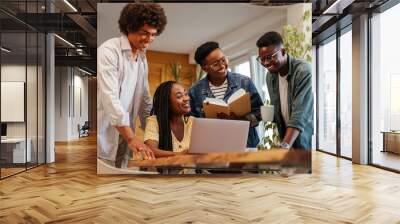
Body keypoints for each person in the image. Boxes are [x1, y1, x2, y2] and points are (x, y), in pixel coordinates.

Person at [97, 3, 167, 168]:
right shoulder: (108, 51)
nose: (149, 39)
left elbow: (144, 98)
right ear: (129, 27)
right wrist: (131, 137)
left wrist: (152, 132)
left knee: (120, 172)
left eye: (153, 34)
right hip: (107, 130)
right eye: (144, 33)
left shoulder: (142, 58)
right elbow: (110, 97)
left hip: (127, 130)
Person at [189, 41, 263, 147]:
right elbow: (192, 124)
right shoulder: (194, 91)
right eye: (215, 64)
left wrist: (239, 121)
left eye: (223, 60)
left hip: (246, 145)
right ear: (205, 68)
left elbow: (259, 112)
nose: (222, 65)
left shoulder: (244, 82)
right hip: (212, 147)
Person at [256, 31, 313, 150]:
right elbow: (278, 111)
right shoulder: (270, 76)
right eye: (262, 59)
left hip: (304, 141)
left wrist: (284, 146)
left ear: (283, 52)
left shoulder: (302, 71)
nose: (266, 63)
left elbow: (299, 115)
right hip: (287, 140)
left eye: (270, 57)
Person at [144, 81, 193, 157]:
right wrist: (179, 155)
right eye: (179, 96)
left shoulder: (192, 122)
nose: (186, 98)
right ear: (167, 102)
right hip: (163, 168)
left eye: (186, 94)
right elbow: (150, 150)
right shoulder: (154, 121)